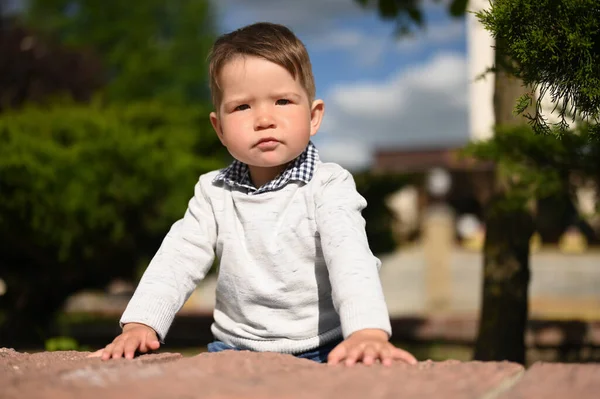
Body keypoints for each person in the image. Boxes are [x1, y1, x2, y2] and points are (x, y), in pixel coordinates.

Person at [92, 22, 417, 367]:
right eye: (242, 107)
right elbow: (178, 257)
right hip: (232, 348)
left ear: (313, 115)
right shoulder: (213, 192)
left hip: (323, 348)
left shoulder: (328, 186)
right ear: (219, 128)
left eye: (282, 101)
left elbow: (351, 260)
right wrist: (141, 323)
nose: (264, 118)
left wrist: (366, 332)